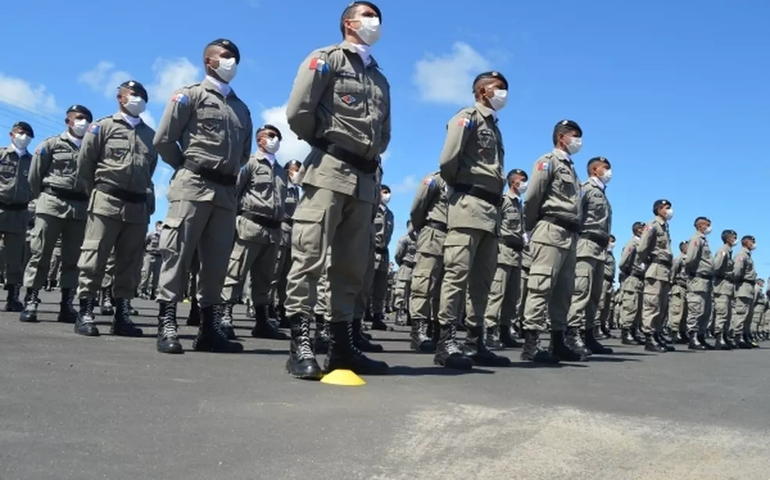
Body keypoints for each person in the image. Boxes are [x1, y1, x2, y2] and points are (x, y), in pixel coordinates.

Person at [283, 1, 391, 379]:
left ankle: (343, 346)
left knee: (351, 268)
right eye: (368, 16)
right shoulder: (325, 59)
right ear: (349, 23)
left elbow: (384, 133)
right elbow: (298, 110)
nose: (375, 22)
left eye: (377, 18)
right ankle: (301, 345)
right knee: (309, 256)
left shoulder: (380, 78)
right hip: (328, 170)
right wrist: (329, 144)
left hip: (364, 180)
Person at [153, 38, 253, 354]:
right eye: (225, 56)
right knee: (177, 253)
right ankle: (167, 322)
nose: (231, 61)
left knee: (217, 262)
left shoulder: (241, 108)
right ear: (208, 61)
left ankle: (209, 329)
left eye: (235, 57)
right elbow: (164, 140)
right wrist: (187, 167)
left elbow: (244, 154)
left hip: (225, 192)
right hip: (193, 185)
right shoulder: (190, 96)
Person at [434, 71, 511, 369]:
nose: (504, 93)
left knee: (482, 282)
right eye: (498, 88)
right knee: (456, 275)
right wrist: (461, 188)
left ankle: (474, 341)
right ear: (481, 90)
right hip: (468, 204)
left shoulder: (495, 126)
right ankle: (446, 341)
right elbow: (448, 160)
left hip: (492, 212)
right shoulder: (467, 117)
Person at [74, 80, 156, 338]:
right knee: (94, 257)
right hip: (106, 201)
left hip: (136, 206)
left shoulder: (150, 135)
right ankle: (85, 312)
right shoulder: (102, 127)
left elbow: (149, 170)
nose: (139, 99)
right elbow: (85, 165)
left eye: (143, 95)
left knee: (130, 264)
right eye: (134, 94)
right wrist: (97, 193)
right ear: (120, 98)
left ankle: (122, 315)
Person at [521, 119, 587, 364]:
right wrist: (530, 228)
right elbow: (532, 197)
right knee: (541, 286)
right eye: (574, 135)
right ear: (561, 137)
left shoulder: (571, 169)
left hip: (570, 235)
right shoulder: (548, 162)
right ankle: (532, 344)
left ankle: (558, 342)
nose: (578, 141)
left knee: (564, 292)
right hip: (550, 230)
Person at [21, 105, 93, 324]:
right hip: (51, 204)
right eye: (79, 118)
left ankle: (66, 304)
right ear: (68, 121)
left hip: (80, 208)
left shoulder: (93, 147)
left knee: (73, 260)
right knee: (40, 254)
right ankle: (31, 301)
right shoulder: (50, 144)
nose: (84, 123)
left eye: (87, 119)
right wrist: (42, 198)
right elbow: (35, 176)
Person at [220, 124, 288, 341]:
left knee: (265, 279)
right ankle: (224, 316)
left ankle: (262, 321)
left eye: (277, 137)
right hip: (251, 226)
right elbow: (235, 193)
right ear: (259, 140)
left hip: (274, 229)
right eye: (271, 136)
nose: (275, 140)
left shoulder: (280, 170)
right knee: (236, 272)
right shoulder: (250, 164)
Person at [566, 157, 614, 356]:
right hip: (585, 244)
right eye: (606, 168)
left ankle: (588, 334)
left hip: (600, 248)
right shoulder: (585, 188)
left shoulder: (603, 194)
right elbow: (575, 212)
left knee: (595, 295)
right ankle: (571, 333)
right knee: (581, 291)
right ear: (594, 170)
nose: (610, 172)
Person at [483, 168, 526, 349]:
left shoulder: (519, 204)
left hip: (516, 255)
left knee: (512, 296)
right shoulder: (504, 201)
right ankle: (489, 330)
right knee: (496, 294)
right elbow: (496, 224)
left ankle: (505, 330)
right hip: (503, 251)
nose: (524, 184)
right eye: (522, 180)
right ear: (512, 182)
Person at [408, 171, 448, 352]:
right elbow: (418, 206)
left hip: (453, 237)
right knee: (424, 284)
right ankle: (419, 331)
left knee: (444, 288)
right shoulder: (435, 179)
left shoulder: (462, 182)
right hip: (433, 233)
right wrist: (421, 228)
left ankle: (438, 329)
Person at [1, 121, 35, 312]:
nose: (23, 136)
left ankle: (13, 296)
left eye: (27, 134)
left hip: (20, 211)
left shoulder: (32, 161)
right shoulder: (1, 155)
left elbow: (36, 185)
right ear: (11, 134)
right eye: (20, 133)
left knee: (16, 257)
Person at [636, 199, 675, 353]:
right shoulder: (652, 225)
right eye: (667, 208)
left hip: (664, 271)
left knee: (662, 305)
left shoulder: (665, 227)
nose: (670, 211)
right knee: (652, 304)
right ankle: (649, 337)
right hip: (656, 268)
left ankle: (657, 334)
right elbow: (642, 248)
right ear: (659, 210)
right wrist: (650, 261)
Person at [270, 159, 302, 326]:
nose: (297, 173)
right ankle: (267, 308)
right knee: (274, 273)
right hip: (282, 230)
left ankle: (283, 309)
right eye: (295, 170)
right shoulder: (282, 188)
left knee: (287, 277)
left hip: (294, 236)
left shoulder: (297, 192)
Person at [682, 217, 714, 350]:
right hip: (698, 279)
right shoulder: (696, 239)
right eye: (707, 225)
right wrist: (692, 273)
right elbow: (690, 259)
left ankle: (700, 336)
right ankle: (693, 337)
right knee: (696, 309)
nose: (709, 227)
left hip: (706, 280)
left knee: (705, 311)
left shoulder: (703, 240)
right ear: (700, 226)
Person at [369, 184, 394, 325]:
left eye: (389, 193)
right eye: (385, 192)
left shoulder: (390, 214)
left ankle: (377, 315)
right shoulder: (373, 210)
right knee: (367, 286)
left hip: (384, 253)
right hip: (372, 250)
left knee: (380, 287)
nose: (387, 195)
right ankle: (363, 314)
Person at [618, 222, 647, 345]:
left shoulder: (642, 245)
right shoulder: (632, 244)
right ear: (637, 230)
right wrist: (629, 272)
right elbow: (623, 262)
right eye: (642, 229)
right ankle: (626, 333)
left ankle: (633, 332)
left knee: (638, 308)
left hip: (640, 279)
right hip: (632, 278)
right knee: (630, 306)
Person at [732, 235, 758, 348]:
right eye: (752, 241)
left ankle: (745, 335)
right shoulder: (741, 255)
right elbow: (737, 271)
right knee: (741, 312)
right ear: (746, 242)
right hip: (743, 285)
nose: (754, 243)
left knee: (748, 314)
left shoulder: (748, 255)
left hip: (749, 286)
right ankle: (738, 336)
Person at [140, 221, 163, 299]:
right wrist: (144, 254)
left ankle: (153, 292)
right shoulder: (151, 234)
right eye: (159, 225)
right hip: (150, 255)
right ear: (156, 226)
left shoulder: (163, 236)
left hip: (159, 257)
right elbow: (144, 243)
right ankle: (142, 291)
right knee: (146, 274)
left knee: (156, 276)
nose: (160, 227)